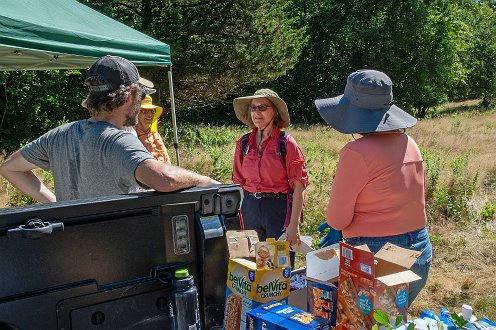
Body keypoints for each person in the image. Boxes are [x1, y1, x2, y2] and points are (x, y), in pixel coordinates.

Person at [0, 55, 218, 203]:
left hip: (71, 248)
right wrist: (206, 181)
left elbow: (10, 167)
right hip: (115, 253)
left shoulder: (59, 134)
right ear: (131, 94)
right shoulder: (117, 140)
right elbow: (165, 179)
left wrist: (57, 205)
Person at [314, 69, 432, 304]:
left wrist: (339, 226)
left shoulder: (355, 153)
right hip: (420, 250)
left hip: (380, 256)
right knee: (394, 321)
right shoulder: (411, 144)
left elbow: (338, 220)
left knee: (369, 323)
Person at [232, 89, 308, 260]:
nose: (256, 113)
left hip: (277, 210)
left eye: (262, 107)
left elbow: (299, 185)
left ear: (274, 111)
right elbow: (238, 183)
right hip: (250, 208)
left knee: (279, 267)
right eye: (253, 108)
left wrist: (293, 225)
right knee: (252, 265)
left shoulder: (286, 143)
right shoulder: (243, 143)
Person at [134, 95, 171, 164]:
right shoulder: (132, 136)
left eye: (152, 111)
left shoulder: (156, 135)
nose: (150, 114)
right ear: (136, 113)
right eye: (145, 111)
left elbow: (167, 159)